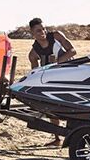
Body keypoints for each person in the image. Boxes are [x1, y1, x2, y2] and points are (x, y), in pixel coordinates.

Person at [27, 18, 77, 146]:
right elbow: (36, 71)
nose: (43, 32)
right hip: (53, 78)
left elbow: (72, 51)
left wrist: (58, 62)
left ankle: (74, 135)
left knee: (72, 107)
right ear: (32, 33)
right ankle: (57, 138)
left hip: (70, 73)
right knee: (52, 107)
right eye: (38, 30)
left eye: (44, 28)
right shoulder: (34, 52)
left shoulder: (56, 36)